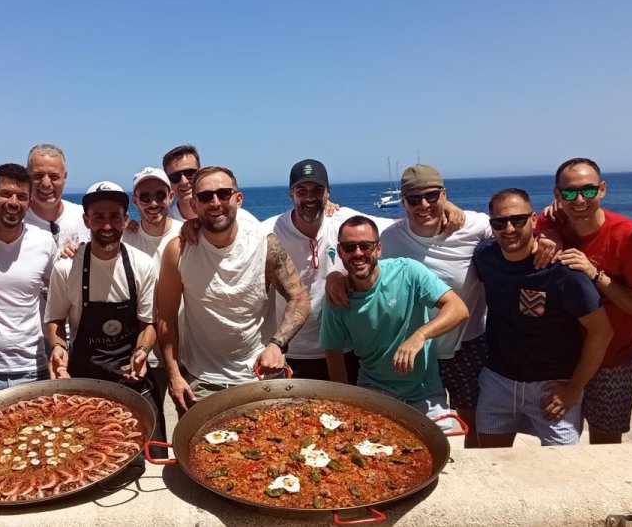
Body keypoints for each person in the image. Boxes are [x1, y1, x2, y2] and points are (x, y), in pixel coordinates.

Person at [325, 163, 550, 447]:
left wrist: (552, 238)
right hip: (411, 351)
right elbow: (357, 245)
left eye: (432, 196)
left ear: (445, 194)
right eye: (414, 199)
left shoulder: (476, 225)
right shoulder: (392, 234)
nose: (424, 205)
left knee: (471, 423)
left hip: (463, 342)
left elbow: (519, 227)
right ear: (403, 202)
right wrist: (336, 275)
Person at [156, 166, 310, 413]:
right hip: (202, 382)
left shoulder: (264, 244)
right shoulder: (178, 251)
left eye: (224, 194)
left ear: (238, 199)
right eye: (206, 197)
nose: (215, 202)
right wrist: (174, 375)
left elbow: (299, 297)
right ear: (194, 206)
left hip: (261, 377)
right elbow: (165, 317)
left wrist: (277, 344)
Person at [473, 189, 612, 447]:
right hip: (498, 381)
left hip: (551, 387)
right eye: (499, 222)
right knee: (492, 463)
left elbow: (602, 332)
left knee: (564, 469)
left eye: (518, 220)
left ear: (534, 220)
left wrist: (573, 389)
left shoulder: (564, 272)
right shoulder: (485, 256)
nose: (509, 228)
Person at [538, 158, 632, 444]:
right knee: (560, 443)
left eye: (588, 191)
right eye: (569, 192)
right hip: (561, 359)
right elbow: (514, 224)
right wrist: (548, 233)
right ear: (557, 195)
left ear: (602, 189)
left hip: (613, 361)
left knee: (606, 445)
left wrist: (596, 275)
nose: (579, 200)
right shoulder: (549, 223)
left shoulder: (630, 237)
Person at [44, 181, 165, 445]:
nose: (107, 225)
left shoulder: (142, 265)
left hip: (132, 375)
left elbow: (148, 323)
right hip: (84, 379)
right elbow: (55, 319)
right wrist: (57, 346)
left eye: (114, 217)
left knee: (153, 453)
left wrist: (142, 352)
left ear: (125, 219)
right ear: (87, 220)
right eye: (99, 217)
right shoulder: (67, 267)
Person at [321, 216, 469, 419]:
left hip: (426, 393)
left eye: (365, 246)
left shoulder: (408, 272)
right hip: (373, 391)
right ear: (340, 252)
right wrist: (345, 404)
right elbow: (333, 352)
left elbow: (458, 308)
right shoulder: (337, 297)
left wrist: (420, 335)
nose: (357, 253)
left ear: (378, 248)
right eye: (349, 247)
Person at [258, 159, 387, 381]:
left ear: (328, 193)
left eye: (317, 190)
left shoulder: (344, 224)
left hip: (344, 348)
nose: (310, 197)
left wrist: (447, 209)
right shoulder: (269, 231)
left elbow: (399, 227)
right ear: (291, 194)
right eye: (302, 190)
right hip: (289, 351)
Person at [0, 163, 58, 402]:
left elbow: (60, 294)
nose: (14, 202)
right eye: (6, 194)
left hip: (33, 369)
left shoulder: (44, 242)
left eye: (22, 197)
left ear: (29, 202)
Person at [161, 144, 259, 225]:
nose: (184, 181)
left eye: (190, 173)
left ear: (200, 172)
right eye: (175, 176)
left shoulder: (240, 219)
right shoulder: (164, 222)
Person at [23, 143, 87, 248]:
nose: (46, 183)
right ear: (27, 175)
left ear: (64, 177)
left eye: (54, 176)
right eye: (38, 176)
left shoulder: (85, 219)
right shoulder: (16, 225)